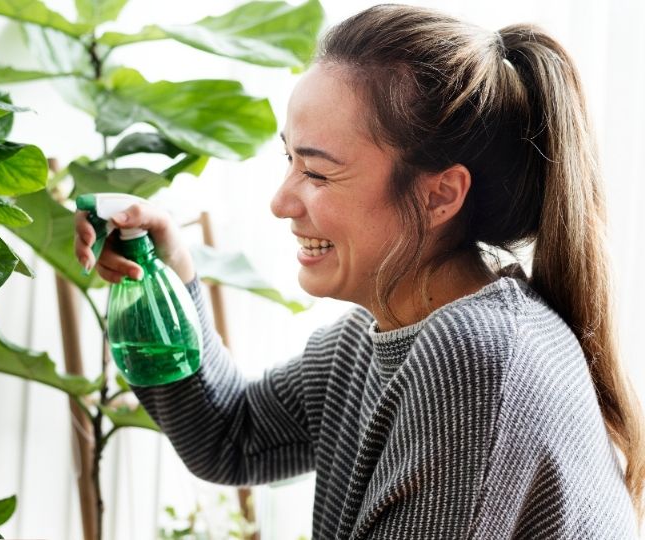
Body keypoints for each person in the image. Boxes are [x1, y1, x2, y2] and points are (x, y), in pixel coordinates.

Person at [74, 4, 643, 538]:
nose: (281, 201)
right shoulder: (371, 341)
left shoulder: (480, 358)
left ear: (439, 195)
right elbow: (229, 437)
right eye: (289, 160)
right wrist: (166, 277)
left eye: (318, 174)